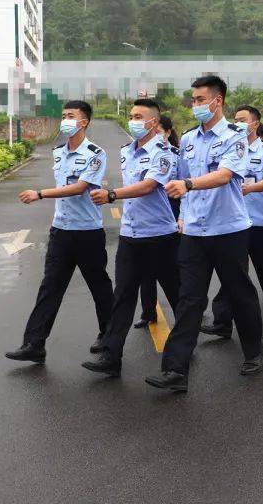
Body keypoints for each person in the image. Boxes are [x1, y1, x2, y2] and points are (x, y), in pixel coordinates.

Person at [146, 75, 263, 393]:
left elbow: (226, 175)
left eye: (201, 100)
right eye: (193, 100)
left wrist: (188, 184)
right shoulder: (187, 140)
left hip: (228, 229)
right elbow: (182, 180)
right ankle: (175, 370)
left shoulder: (235, 136)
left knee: (239, 293)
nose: (195, 105)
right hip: (195, 231)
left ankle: (253, 351)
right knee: (189, 300)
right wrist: (183, 215)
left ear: (218, 101)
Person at [5, 100, 113, 364]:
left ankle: (109, 337)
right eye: (63, 115)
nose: (65, 120)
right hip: (61, 232)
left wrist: (40, 194)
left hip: (87, 232)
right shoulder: (58, 152)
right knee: (50, 287)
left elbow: (80, 187)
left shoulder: (95, 154)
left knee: (99, 287)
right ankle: (34, 344)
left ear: (84, 122)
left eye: (71, 116)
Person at [82, 99, 182, 377]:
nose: (133, 120)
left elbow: (150, 185)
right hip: (131, 234)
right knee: (123, 296)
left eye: (139, 116)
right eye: (132, 115)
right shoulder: (127, 151)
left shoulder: (164, 152)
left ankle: (184, 345)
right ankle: (111, 358)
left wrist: (112, 195)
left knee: (176, 293)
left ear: (153, 122)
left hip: (160, 234)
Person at [201, 108, 263, 338]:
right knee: (232, 274)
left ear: (255, 124)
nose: (237, 124)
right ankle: (222, 321)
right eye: (235, 120)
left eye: (242, 120)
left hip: (259, 222)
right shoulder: (229, 149)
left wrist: (249, 188)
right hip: (234, 223)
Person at [133, 114, 182, 330]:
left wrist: (182, 217)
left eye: (160, 130)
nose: (156, 135)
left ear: (168, 133)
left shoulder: (176, 155)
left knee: (170, 272)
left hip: (171, 212)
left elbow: (185, 187)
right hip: (146, 217)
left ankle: (185, 317)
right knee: (145, 271)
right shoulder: (138, 152)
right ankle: (148, 312)